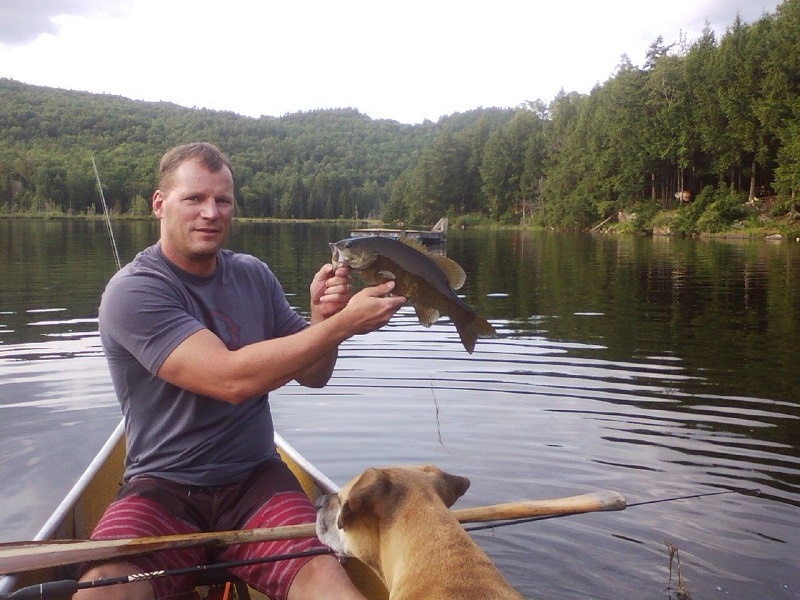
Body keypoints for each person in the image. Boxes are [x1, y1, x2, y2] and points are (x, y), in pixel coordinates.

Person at [75, 142, 406, 600]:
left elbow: (313, 373)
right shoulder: (134, 291)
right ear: (159, 204)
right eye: (195, 198)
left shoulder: (253, 274)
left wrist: (323, 319)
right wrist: (347, 323)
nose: (211, 213)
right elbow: (231, 380)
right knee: (102, 589)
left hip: (256, 482)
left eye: (222, 200)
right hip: (163, 487)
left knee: (327, 581)